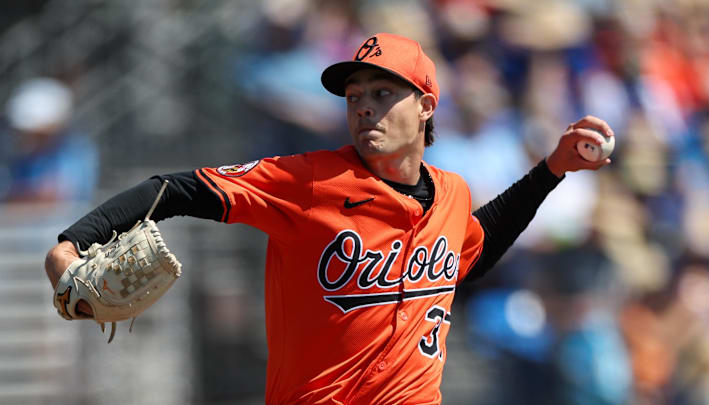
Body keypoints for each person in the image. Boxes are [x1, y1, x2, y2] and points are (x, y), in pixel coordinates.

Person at [44, 33, 613, 404]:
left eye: (384, 91)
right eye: (354, 94)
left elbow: (475, 249)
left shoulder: (451, 194)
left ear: (427, 106)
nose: (364, 104)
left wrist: (552, 169)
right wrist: (71, 244)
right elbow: (177, 189)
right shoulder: (308, 180)